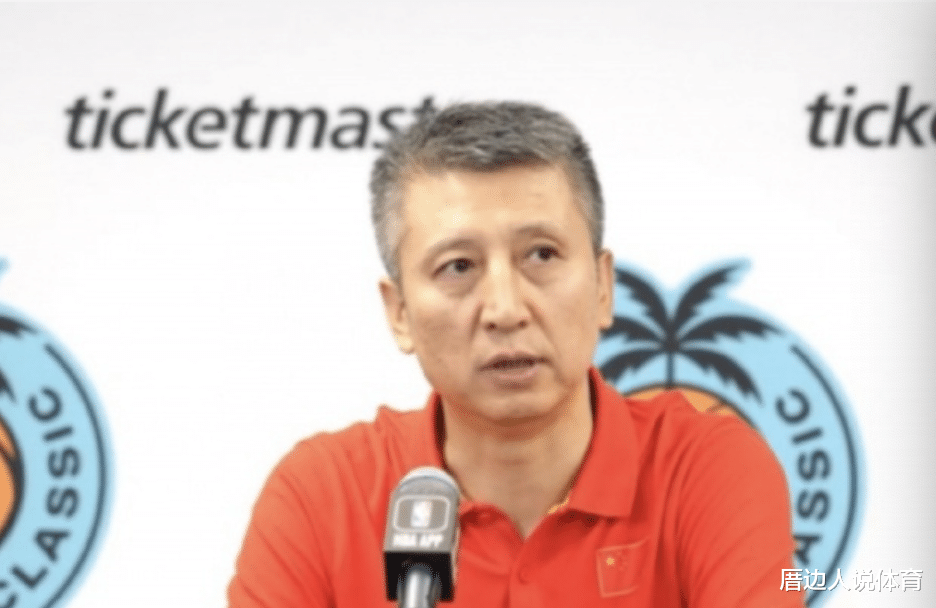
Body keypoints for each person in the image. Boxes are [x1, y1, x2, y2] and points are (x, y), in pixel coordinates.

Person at [227, 102, 802, 607]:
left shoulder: (708, 469)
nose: (505, 309)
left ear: (603, 287)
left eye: (541, 255)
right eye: (458, 266)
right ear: (399, 312)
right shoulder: (322, 495)